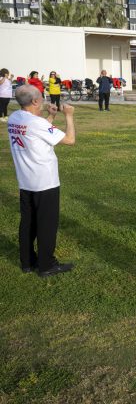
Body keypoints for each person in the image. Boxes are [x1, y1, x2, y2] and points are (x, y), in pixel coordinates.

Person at [7, 85, 76, 277]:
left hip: (25, 180)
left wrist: (51, 117)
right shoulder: (37, 123)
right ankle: (46, 264)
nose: (45, 100)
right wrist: (68, 115)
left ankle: (27, 262)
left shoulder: (14, 118)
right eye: (42, 97)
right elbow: (70, 140)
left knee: (28, 221)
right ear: (35, 101)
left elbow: (36, 132)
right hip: (45, 181)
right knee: (46, 224)